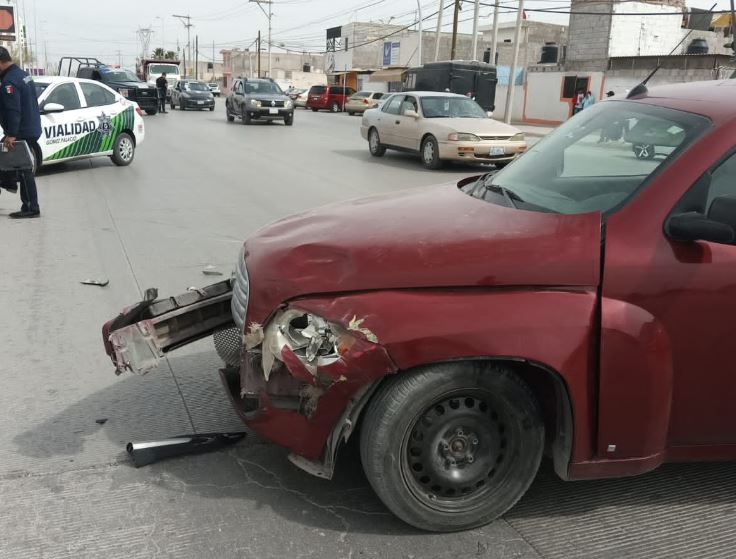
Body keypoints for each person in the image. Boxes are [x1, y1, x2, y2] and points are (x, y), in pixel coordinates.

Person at [0, 47, 42, 219]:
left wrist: (11, 134)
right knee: (14, 164)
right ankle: (10, 184)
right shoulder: (23, 75)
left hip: (20, 131)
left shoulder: (10, 81)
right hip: (30, 128)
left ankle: (31, 207)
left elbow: (13, 110)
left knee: (23, 169)